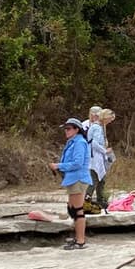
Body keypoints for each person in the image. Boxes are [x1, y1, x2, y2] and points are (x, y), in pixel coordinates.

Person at [50, 118, 91, 250]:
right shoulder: (73, 142)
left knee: (78, 211)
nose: (66, 131)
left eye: (69, 129)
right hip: (73, 179)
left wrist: (59, 166)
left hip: (78, 179)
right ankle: (78, 237)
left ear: (76, 129)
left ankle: (80, 241)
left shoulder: (79, 142)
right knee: (72, 209)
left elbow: (77, 163)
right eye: (65, 129)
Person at [85, 105, 108, 211]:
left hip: (98, 156)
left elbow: (101, 140)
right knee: (94, 178)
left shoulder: (100, 126)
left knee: (101, 179)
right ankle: (86, 199)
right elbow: (93, 143)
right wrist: (104, 150)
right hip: (93, 156)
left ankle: (100, 199)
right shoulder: (87, 125)